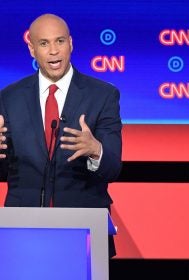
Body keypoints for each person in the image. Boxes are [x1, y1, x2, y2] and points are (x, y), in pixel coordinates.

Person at [0, 14, 122, 256]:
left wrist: (96, 150)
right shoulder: (9, 97)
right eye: (44, 43)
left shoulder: (103, 95)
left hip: (84, 231)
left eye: (60, 41)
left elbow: (113, 168)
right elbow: (5, 172)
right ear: (32, 49)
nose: (54, 51)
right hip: (24, 231)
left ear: (71, 44)